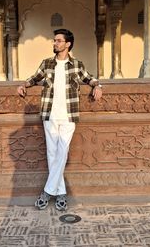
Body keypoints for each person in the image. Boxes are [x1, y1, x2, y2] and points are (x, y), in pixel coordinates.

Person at [17, 29, 102, 211]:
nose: (55, 43)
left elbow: (89, 79)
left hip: (69, 115)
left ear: (68, 44)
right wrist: (23, 84)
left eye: (58, 41)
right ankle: (61, 194)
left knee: (62, 152)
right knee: (52, 154)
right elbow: (34, 78)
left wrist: (98, 86)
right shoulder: (47, 63)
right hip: (49, 114)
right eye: (54, 41)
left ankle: (47, 192)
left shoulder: (76, 65)